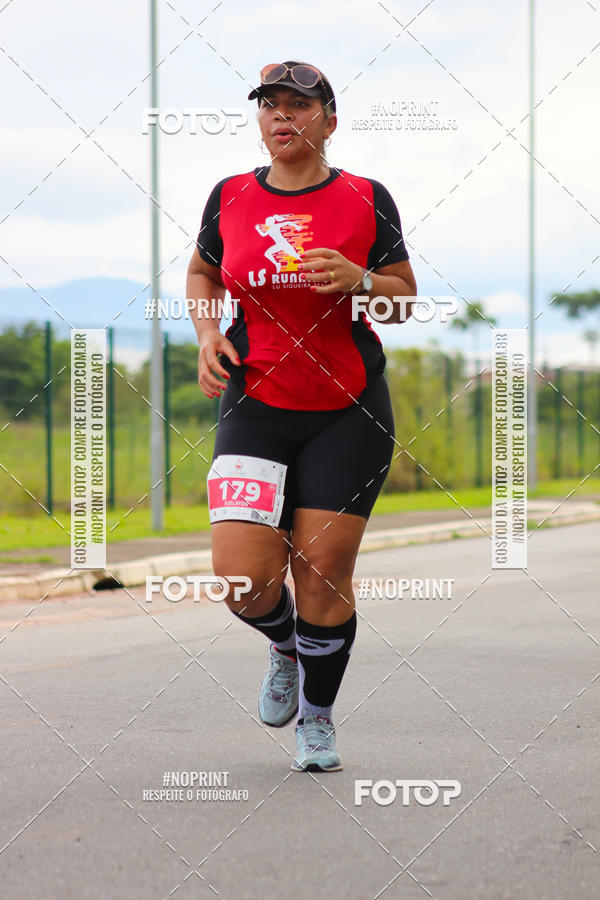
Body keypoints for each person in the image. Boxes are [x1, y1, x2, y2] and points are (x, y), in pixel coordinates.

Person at [186, 60, 417, 772]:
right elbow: (201, 272)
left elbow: (403, 299)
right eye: (269, 107)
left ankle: (317, 717)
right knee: (241, 579)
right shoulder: (228, 197)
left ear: (329, 120)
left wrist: (364, 280)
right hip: (255, 404)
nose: (281, 117)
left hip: (348, 410)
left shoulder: (364, 198)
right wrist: (205, 332)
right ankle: (284, 645)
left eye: (298, 105)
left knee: (322, 570)